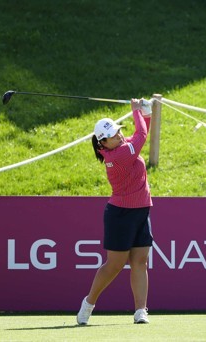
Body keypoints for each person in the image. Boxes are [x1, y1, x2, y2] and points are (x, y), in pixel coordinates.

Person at [77, 99, 153, 325]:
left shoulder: (121, 147)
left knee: (140, 261)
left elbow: (140, 132)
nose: (119, 136)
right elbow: (141, 135)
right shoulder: (119, 156)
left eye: (119, 131)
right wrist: (136, 110)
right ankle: (88, 303)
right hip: (120, 214)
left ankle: (141, 311)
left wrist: (146, 113)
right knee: (115, 265)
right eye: (113, 135)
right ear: (102, 144)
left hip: (141, 211)